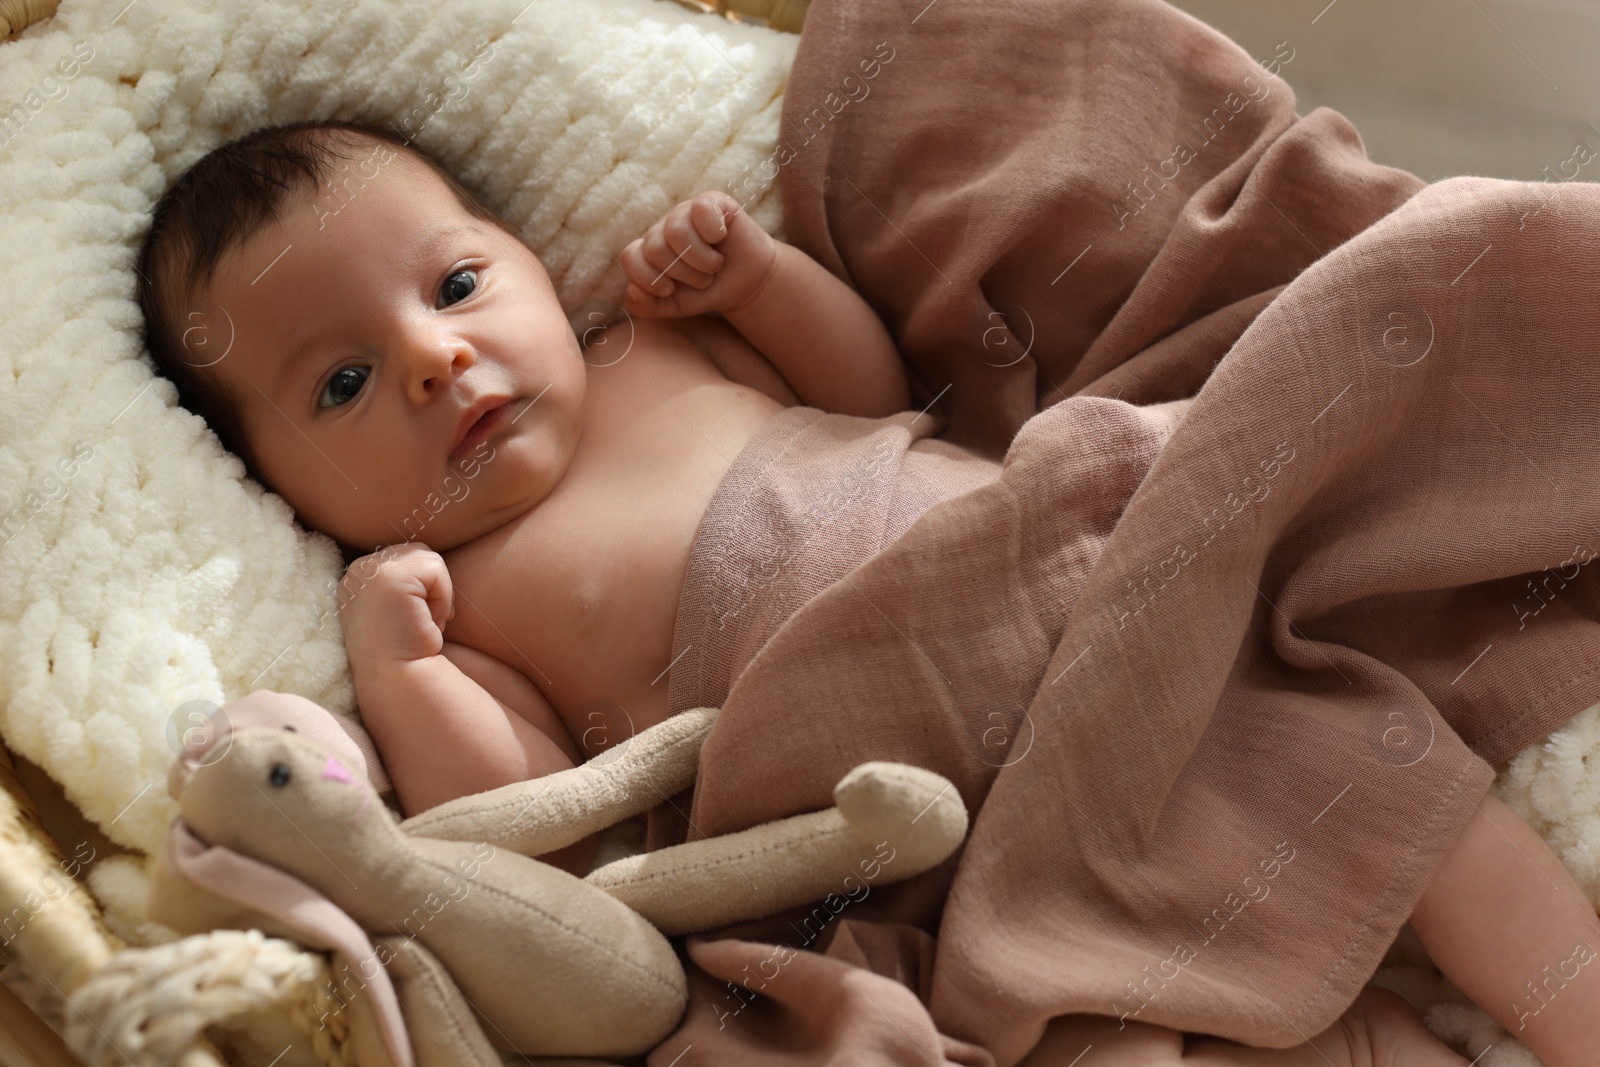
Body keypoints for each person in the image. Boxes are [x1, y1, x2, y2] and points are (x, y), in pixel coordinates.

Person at [136, 119, 1600, 1067]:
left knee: (1415, 813)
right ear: (280, 490)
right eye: (340, 383)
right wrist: (402, 676)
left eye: (455, 287)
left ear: (530, 262)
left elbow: (880, 398)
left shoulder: (657, 352)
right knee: (1115, 1019)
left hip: (1103, 616)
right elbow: (543, 814)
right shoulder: (463, 594)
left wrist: (761, 282)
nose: (433, 359)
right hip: (936, 810)